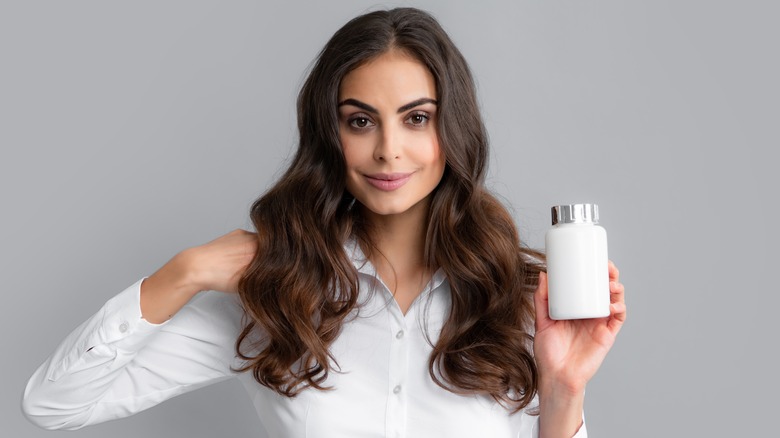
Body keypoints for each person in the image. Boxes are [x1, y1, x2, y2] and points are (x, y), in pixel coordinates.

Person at [22, 7, 626, 438]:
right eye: (360, 121)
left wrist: (564, 389)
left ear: (453, 130)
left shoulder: (515, 300)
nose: (389, 150)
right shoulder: (277, 296)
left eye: (416, 118)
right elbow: (54, 406)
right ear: (328, 135)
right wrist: (184, 272)